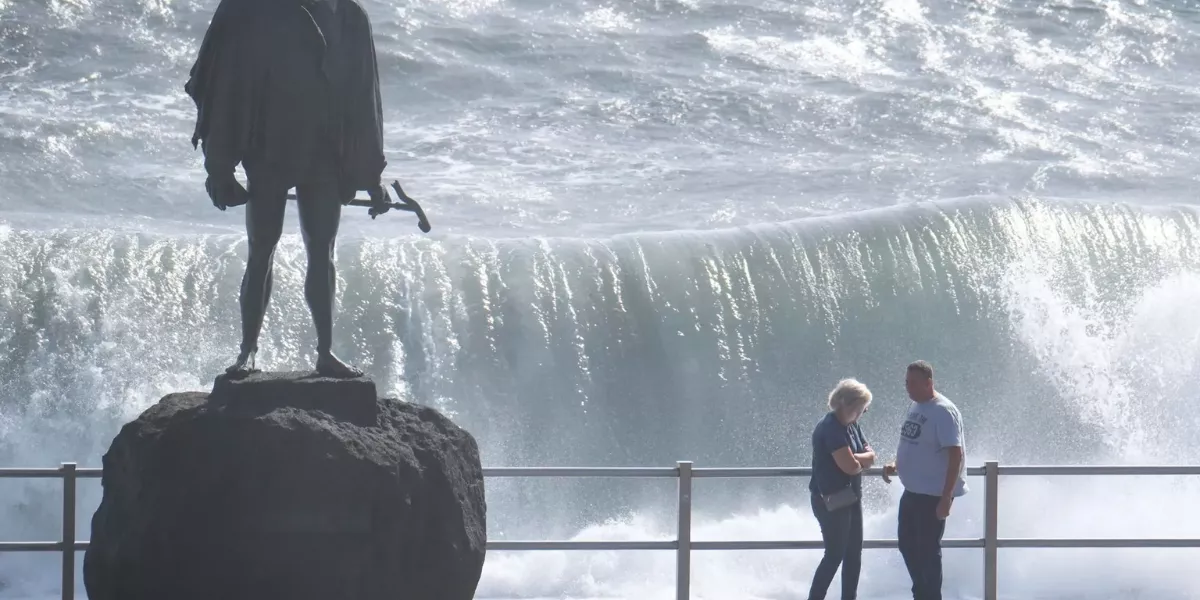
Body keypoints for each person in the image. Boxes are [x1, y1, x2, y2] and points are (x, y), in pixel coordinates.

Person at [184, 0, 392, 378]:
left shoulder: (348, 16)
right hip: (268, 149)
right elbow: (228, 82)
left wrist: (371, 176)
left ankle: (326, 352)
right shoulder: (255, 9)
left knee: (322, 250)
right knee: (261, 249)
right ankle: (247, 351)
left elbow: (364, 99)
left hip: (326, 153)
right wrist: (219, 165)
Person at [882, 360, 967, 600]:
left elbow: (955, 455)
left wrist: (946, 497)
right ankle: (921, 592)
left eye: (913, 383)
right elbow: (915, 442)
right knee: (907, 545)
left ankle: (929, 596)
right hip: (912, 492)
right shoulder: (916, 405)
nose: (908, 388)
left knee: (928, 552)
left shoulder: (943, 411)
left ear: (929, 383)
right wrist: (896, 464)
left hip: (932, 496)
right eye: (906, 383)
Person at [807, 378, 876, 600]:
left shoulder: (851, 425)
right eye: (862, 409)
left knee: (853, 555)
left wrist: (855, 459)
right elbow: (851, 467)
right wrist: (856, 461)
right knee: (835, 554)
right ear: (850, 405)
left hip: (851, 497)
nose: (863, 413)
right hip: (831, 500)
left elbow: (870, 455)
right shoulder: (830, 428)